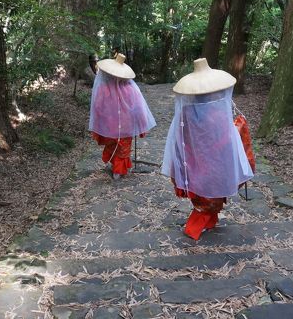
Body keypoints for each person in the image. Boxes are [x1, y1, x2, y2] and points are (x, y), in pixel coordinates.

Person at [162, 58, 254, 240]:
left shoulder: (186, 114)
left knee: (206, 192)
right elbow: (223, 138)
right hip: (213, 162)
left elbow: (181, 138)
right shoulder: (217, 113)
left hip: (197, 161)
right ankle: (196, 225)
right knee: (208, 194)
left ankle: (208, 220)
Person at [89, 53, 156, 180]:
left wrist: (100, 116)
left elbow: (98, 106)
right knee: (121, 145)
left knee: (115, 143)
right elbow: (138, 107)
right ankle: (118, 169)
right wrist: (139, 121)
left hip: (112, 122)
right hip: (124, 122)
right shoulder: (129, 87)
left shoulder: (105, 87)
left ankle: (117, 168)